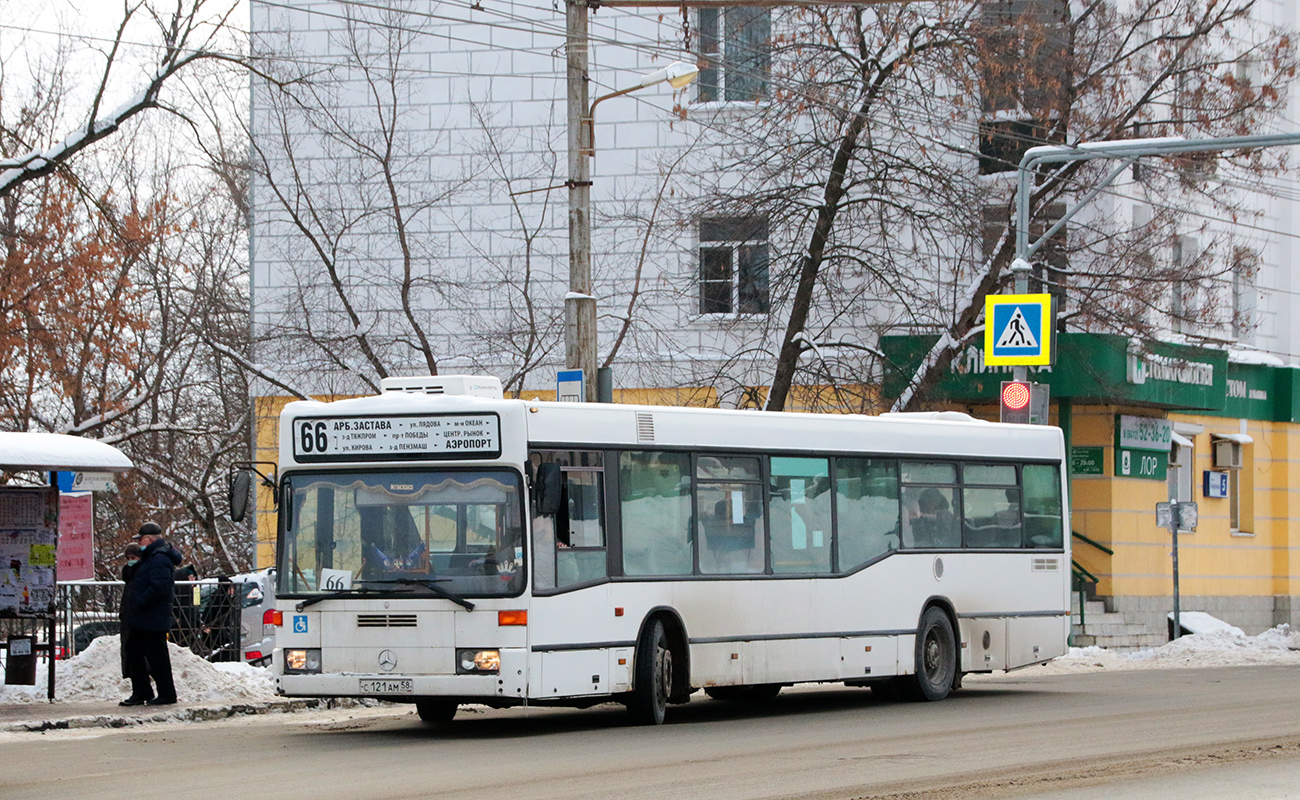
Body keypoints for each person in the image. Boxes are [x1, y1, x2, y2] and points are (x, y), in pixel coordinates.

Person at [120, 522, 183, 707]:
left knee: (157, 655)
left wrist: (140, 602)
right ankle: (142, 692)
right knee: (134, 652)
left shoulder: (159, 558)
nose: (139, 544)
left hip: (152, 616)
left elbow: (160, 587)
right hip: (144, 616)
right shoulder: (151, 556)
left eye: (140, 540)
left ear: (148, 539)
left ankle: (166, 693)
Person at [118, 543, 143, 680]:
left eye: (133, 557)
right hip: (128, 616)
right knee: (128, 648)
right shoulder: (129, 576)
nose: (130, 561)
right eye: (128, 558)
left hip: (136, 616)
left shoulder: (140, 575)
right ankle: (128, 674)